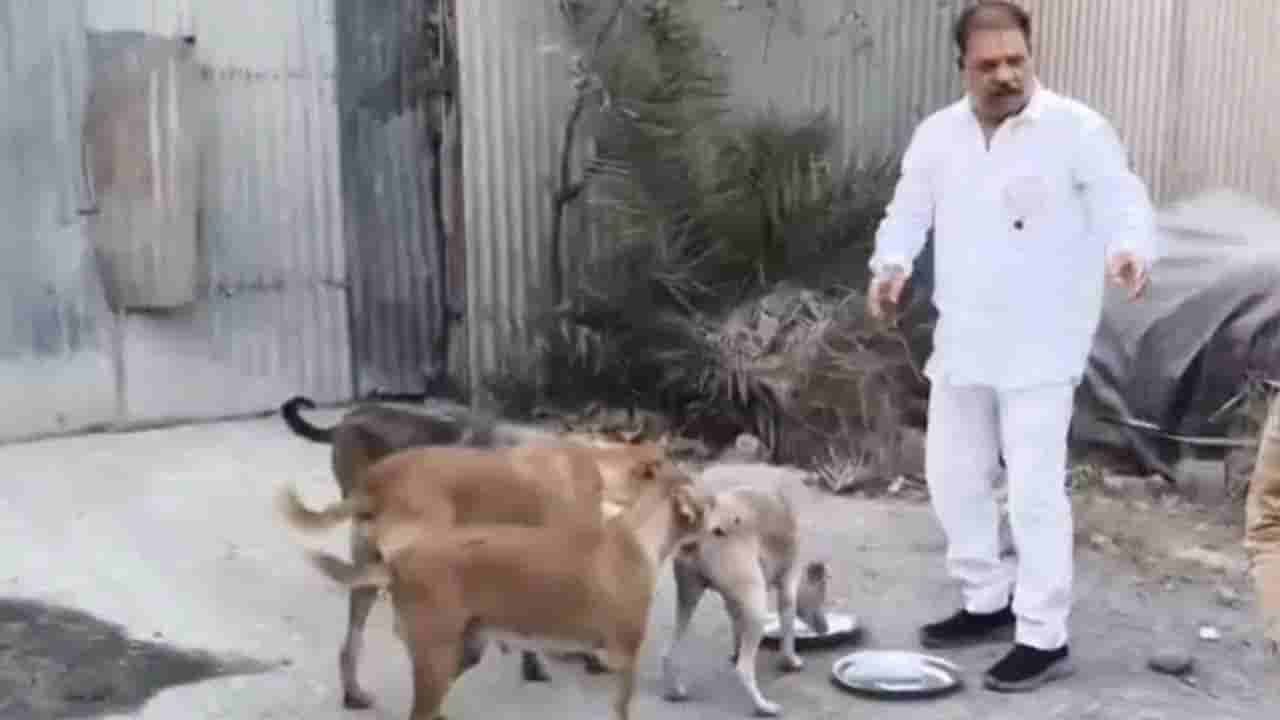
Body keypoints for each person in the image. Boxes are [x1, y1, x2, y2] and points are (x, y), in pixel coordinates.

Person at [865, 1, 1159, 692]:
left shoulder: (1077, 129)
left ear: (1031, 56)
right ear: (962, 66)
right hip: (965, 334)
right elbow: (907, 211)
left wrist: (1128, 249)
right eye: (988, 64)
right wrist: (891, 266)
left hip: (1044, 342)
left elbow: (1122, 199)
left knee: (1033, 492)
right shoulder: (939, 136)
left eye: (1015, 61)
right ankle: (985, 600)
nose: (1004, 75)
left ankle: (1042, 636)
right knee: (952, 476)